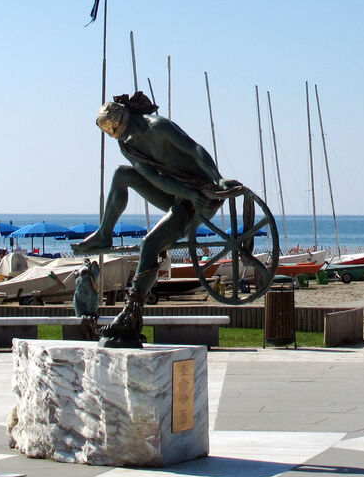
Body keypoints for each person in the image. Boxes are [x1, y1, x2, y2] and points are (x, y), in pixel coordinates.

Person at [75, 91, 246, 343]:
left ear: (124, 119)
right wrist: (184, 192)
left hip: (199, 198)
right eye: (112, 134)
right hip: (178, 193)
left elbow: (195, 149)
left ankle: (130, 313)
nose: (117, 137)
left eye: (116, 131)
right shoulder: (127, 144)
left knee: (150, 244)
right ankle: (104, 234)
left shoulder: (159, 127)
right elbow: (154, 178)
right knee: (122, 174)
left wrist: (217, 179)